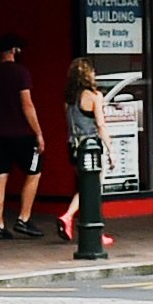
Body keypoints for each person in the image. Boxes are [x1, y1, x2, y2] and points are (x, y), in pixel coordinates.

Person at [0, 33, 48, 239]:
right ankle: (24, 218)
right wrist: (38, 133)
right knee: (34, 171)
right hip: (21, 134)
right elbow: (27, 104)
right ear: (14, 50)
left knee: (0, 176)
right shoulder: (21, 73)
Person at [56, 58, 111, 249]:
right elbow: (100, 125)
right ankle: (72, 218)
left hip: (73, 146)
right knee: (92, 189)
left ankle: (75, 221)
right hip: (91, 146)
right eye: (92, 71)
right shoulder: (94, 96)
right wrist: (111, 150)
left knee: (85, 187)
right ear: (88, 75)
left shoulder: (69, 99)